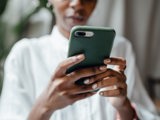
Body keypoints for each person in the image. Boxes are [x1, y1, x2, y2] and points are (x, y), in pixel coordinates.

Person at [0, 0, 159, 120]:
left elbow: (148, 115)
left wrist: (123, 105)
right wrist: (45, 106)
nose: (77, 3)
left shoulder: (121, 49)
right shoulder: (24, 54)